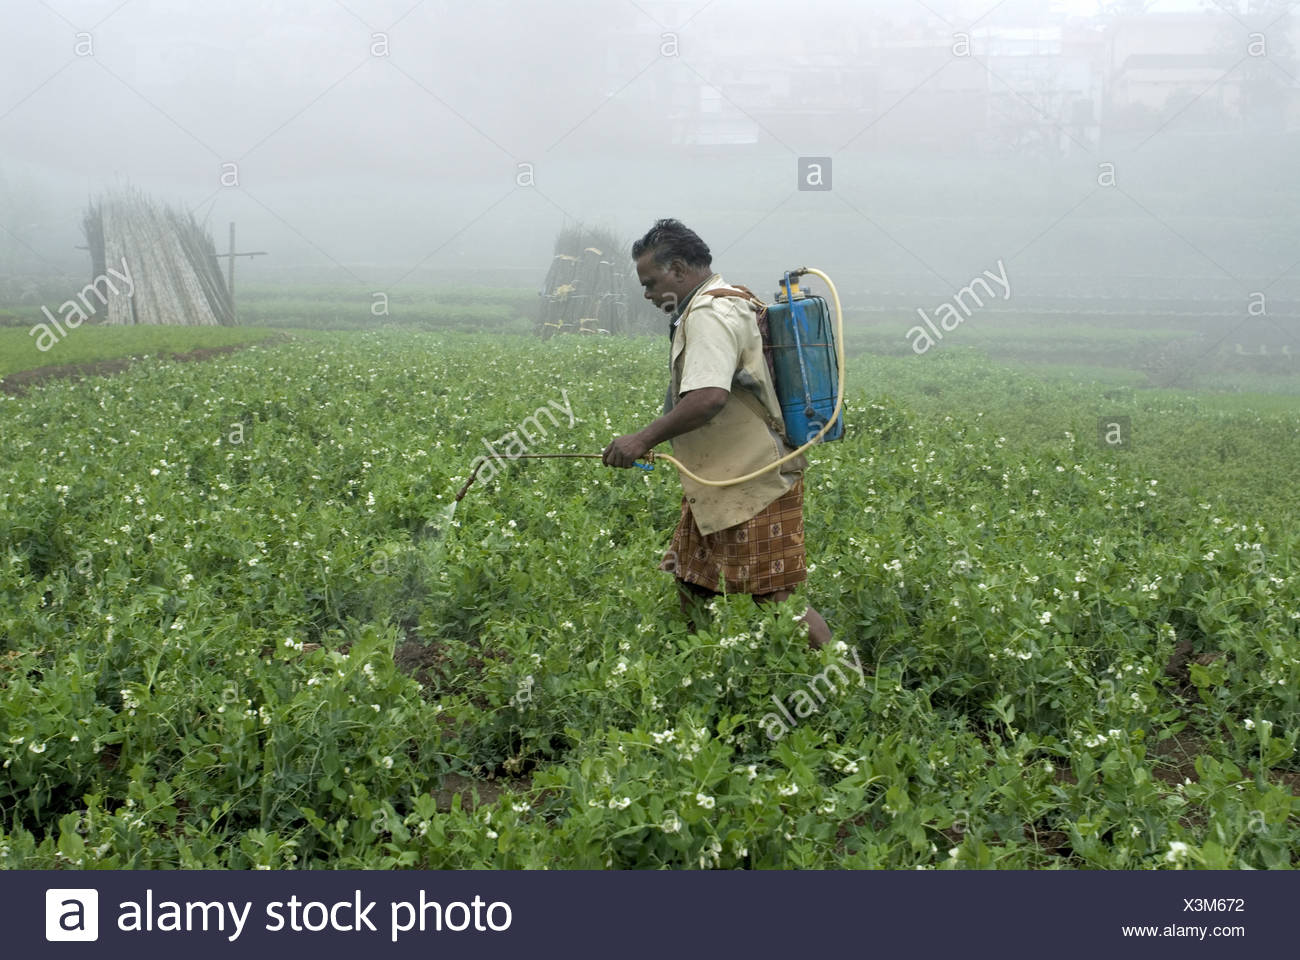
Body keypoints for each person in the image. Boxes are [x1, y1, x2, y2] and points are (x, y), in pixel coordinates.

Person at [601, 219, 832, 648]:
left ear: (679, 270)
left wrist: (641, 439)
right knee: (691, 578)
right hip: (720, 480)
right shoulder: (728, 297)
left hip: (752, 477)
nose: (647, 294)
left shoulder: (708, 313)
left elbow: (708, 397)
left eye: (651, 283)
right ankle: (701, 663)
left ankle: (842, 680)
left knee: (777, 596)